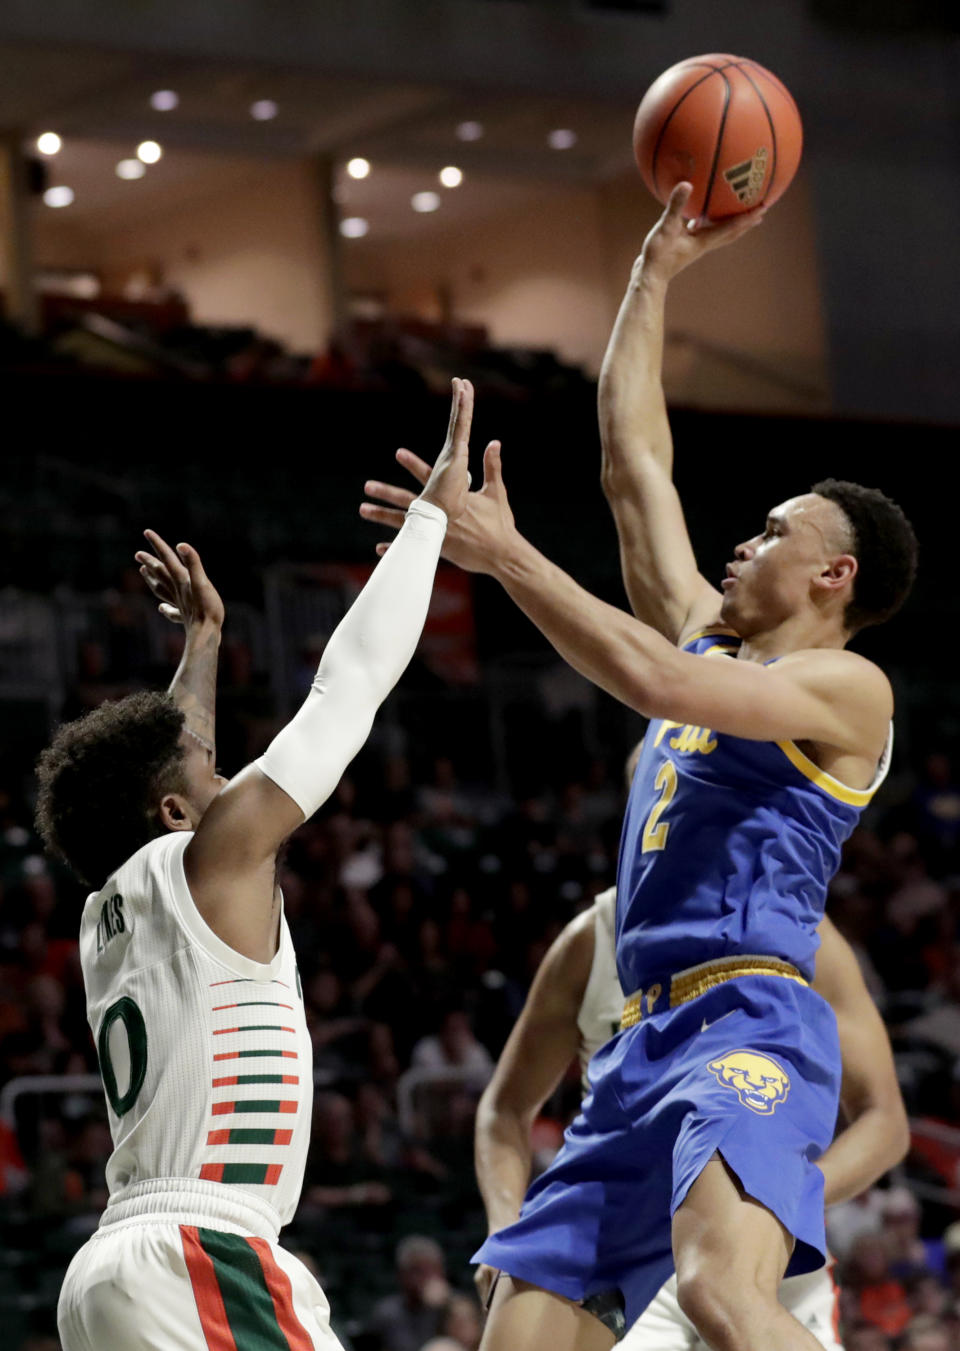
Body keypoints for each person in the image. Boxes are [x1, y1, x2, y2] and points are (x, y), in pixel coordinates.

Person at [360, 182, 918, 1351]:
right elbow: (633, 463)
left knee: (722, 1297)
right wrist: (651, 275)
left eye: (773, 533)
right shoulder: (709, 639)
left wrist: (508, 559)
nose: (741, 540)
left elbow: (658, 686)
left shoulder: (848, 692)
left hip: (752, 1023)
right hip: (633, 1053)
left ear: (837, 578)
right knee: (514, 1340)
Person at [39, 379, 475, 1351]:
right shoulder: (207, 857)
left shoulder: (118, 900)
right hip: (204, 1250)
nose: (233, 773)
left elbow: (171, 759)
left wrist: (202, 641)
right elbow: (348, 687)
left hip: (122, 1266)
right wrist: (432, 525)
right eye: (215, 770)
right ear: (179, 811)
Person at [473, 876, 909, 1350]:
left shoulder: (796, 925)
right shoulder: (594, 937)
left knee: (728, 1293)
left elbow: (884, 1121)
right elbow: (505, 1108)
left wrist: (789, 1191)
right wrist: (502, 1223)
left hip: (762, 1245)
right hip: (631, 1244)